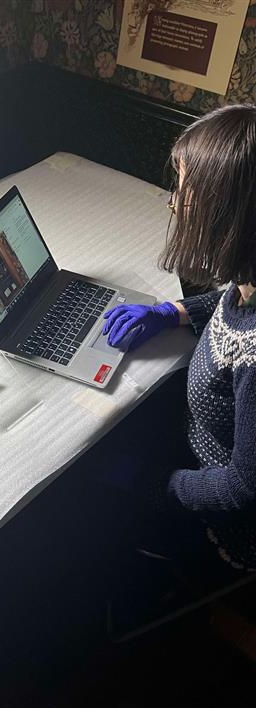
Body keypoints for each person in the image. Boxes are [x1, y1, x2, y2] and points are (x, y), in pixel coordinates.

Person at [101, 103, 256, 586]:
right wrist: (174, 312)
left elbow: (242, 490)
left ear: (227, 213)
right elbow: (236, 302)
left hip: (225, 526)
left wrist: (156, 487)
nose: (173, 204)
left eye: (183, 194)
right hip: (196, 454)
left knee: (87, 492)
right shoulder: (249, 275)